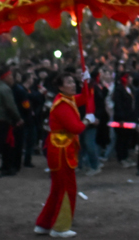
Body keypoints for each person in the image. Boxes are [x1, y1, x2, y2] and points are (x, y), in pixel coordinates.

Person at [35, 71, 94, 238]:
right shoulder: (62, 104)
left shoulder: (67, 100)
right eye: (69, 82)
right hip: (61, 151)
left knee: (57, 188)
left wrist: (86, 83)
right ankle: (60, 227)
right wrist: (88, 120)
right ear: (61, 87)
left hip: (60, 148)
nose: (73, 84)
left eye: (73, 81)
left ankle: (44, 224)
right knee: (67, 188)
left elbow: (84, 98)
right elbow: (76, 128)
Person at [0, 67, 22, 176]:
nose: (13, 79)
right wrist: (18, 118)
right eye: (11, 76)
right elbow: (10, 106)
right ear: (6, 77)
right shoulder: (5, 89)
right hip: (2, 120)